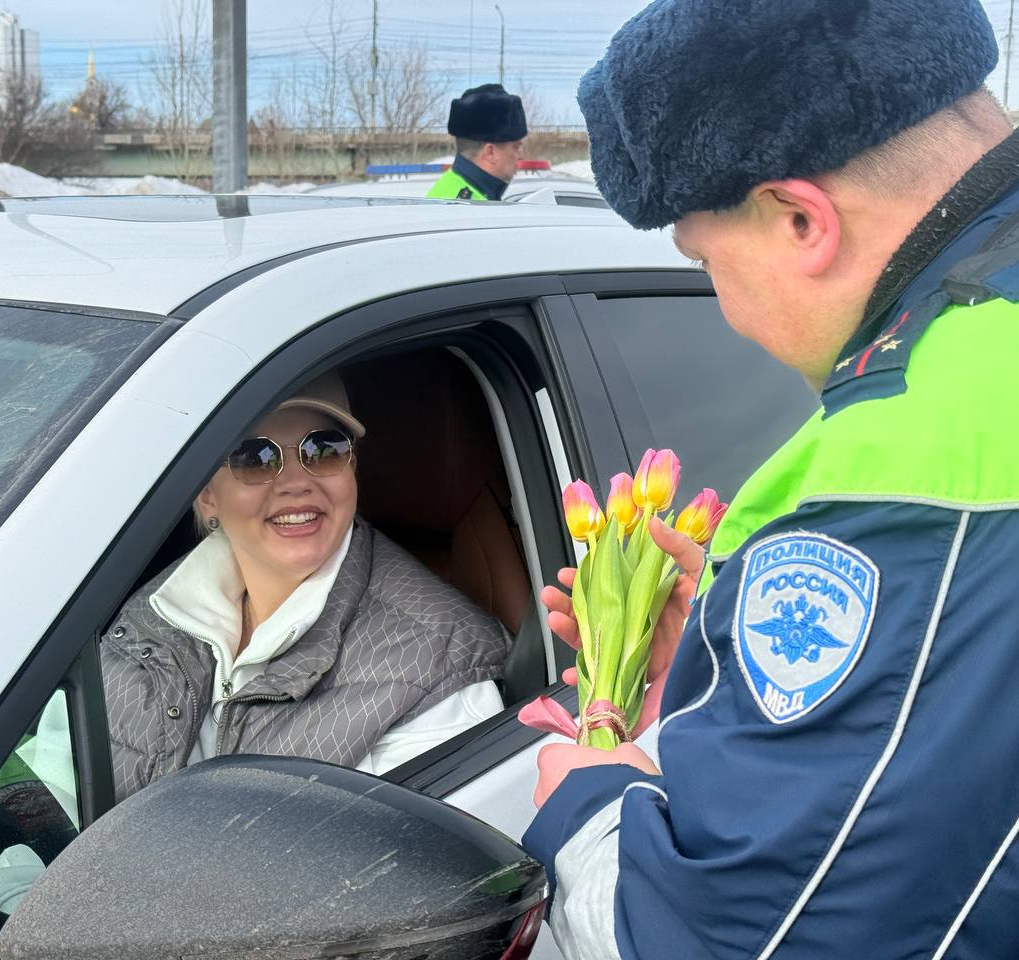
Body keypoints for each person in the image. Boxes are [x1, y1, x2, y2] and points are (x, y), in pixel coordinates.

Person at [522, 0, 1019, 956]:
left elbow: (724, 939)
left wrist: (591, 799)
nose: (725, 306)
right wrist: (730, 647)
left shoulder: (912, 455)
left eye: (706, 258)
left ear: (801, 220)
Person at [101, 373, 510, 801]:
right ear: (207, 495)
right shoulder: (151, 611)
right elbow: (60, 788)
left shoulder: (438, 662)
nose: (297, 482)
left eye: (324, 450)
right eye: (254, 456)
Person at [426, 83, 527, 201]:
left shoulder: (457, 192)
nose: (521, 156)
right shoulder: (466, 208)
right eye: (516, 147)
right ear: (490, 153)